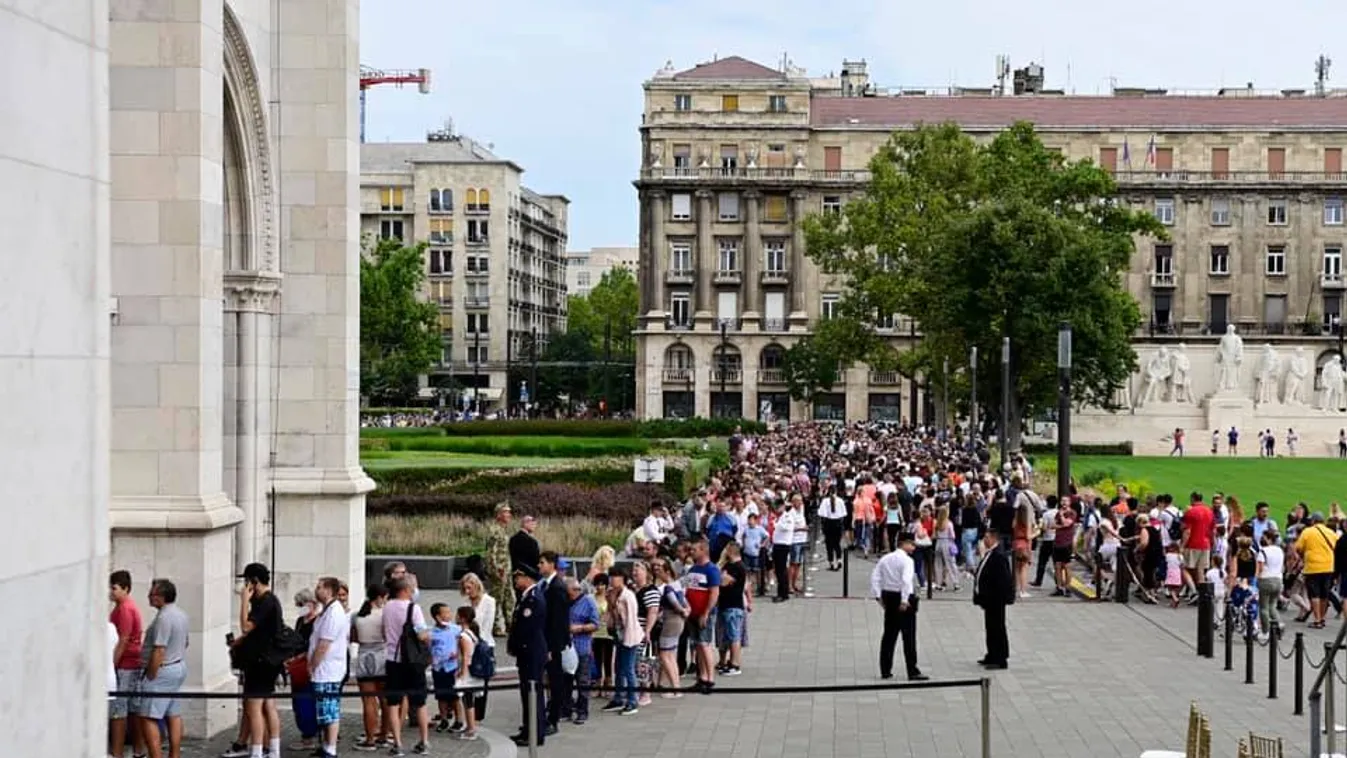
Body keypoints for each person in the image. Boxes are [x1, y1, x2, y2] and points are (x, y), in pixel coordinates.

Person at [229, 563, 284, 758]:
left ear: (254, 582)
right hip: (267, 660)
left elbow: (246, 626)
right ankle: (273, 750)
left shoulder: (265, 602)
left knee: (254, 707)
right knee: (268, 705)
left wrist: (244, 601)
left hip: (260, 662)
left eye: (247, 582)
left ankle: (257, 750)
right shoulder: (269, 601)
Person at [868, 534, 928, 681]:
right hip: (903, 597)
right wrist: (904, 600)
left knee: (889, 634)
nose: (914, 547)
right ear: (904, 543)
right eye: (912, 544)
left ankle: (885, 669)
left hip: (888, 596)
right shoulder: (907, 561)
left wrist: (878, 596)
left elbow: (875, 577)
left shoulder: (885, 558)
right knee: (909, 636)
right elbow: (906, 581)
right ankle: (912, 670)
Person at [507, 566, 548, 746]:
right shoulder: (526, 597)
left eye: (519, 577)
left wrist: (517, 645)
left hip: (531, 651)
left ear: (528, 578)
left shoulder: (533, 599)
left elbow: (527, 628)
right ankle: (528, 728)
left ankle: (535, 732)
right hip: (526, 652)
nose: (516, 580)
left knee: (532, 692)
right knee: (527, 692)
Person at [538, 552, 573, 734]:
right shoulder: (544, 585)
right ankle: (546, 715)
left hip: (553, 644)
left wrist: (552, 647)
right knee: (548, 680)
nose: (539, 566)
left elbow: (558, 621)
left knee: (555, 680)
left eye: (542, 562)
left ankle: (554, 718)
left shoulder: (557, 587)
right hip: (545, 641)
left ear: (552, 565)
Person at [972, 529, 1013, 669]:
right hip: (988, 599)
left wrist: (1003, 596)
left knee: (997, 628)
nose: (984, 540)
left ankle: (1000, 658)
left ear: (994, 539)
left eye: (987, 537)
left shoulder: (999, 556)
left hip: (996, 599)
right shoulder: (989, 553)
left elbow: (1003, 579)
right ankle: (991, 654)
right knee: (990, 627)